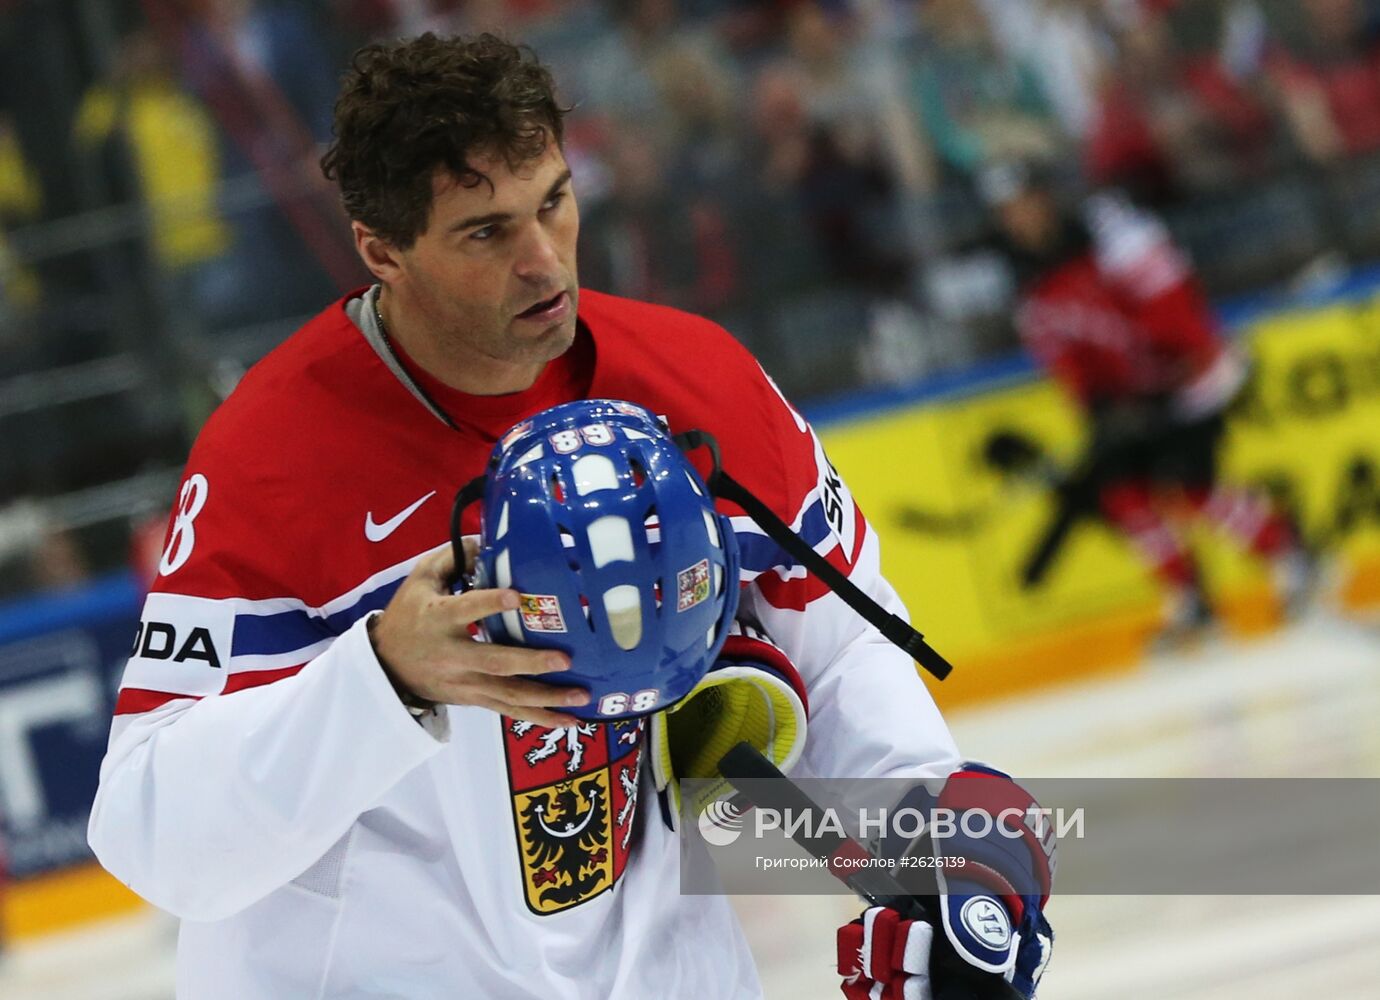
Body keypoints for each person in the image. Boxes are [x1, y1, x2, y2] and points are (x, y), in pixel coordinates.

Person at [88, 34, 1051, 998]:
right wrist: (383, 678)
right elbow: (153, 838)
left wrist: (933, 864)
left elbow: (842, 653)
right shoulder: (273, 457)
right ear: (383, 250)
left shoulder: (700, 386)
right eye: (485, 231)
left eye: (553, 199)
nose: (543, 260)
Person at [983, 160, 1312, 634]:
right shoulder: (1026, 278)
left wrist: (1166, 376)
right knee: (1120, 489)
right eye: (1008, 212)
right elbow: (1064, 353)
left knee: (1187, 480)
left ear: (1047, 198)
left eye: (1026, 204)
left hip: (1195, 376)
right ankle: (1188, 593)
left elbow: (1174, 307)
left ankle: (1286, 550)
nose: (1021, 219)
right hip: (1133, 392)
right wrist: (1100, 405)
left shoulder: (1112, 232)